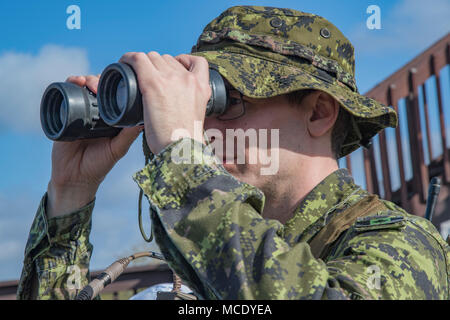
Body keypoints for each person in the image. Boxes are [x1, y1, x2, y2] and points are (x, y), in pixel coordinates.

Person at [17, 5, 449, 300]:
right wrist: (70, 199)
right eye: (197, 105)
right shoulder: (203, 261)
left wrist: (182, 162)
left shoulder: (400, 245)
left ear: (318, 112)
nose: (202, 127)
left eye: (227, 102)